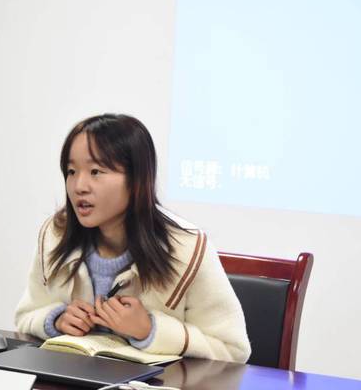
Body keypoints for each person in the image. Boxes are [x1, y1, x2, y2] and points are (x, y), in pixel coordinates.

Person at [14, 114, 251, 362]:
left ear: (137, 180)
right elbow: (25, 316)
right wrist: (56, 319)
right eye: (72, 171)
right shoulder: (56, 234)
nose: (79, 186)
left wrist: (149, 330)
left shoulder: (186, 248)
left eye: (95, 171)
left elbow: (232, 350)